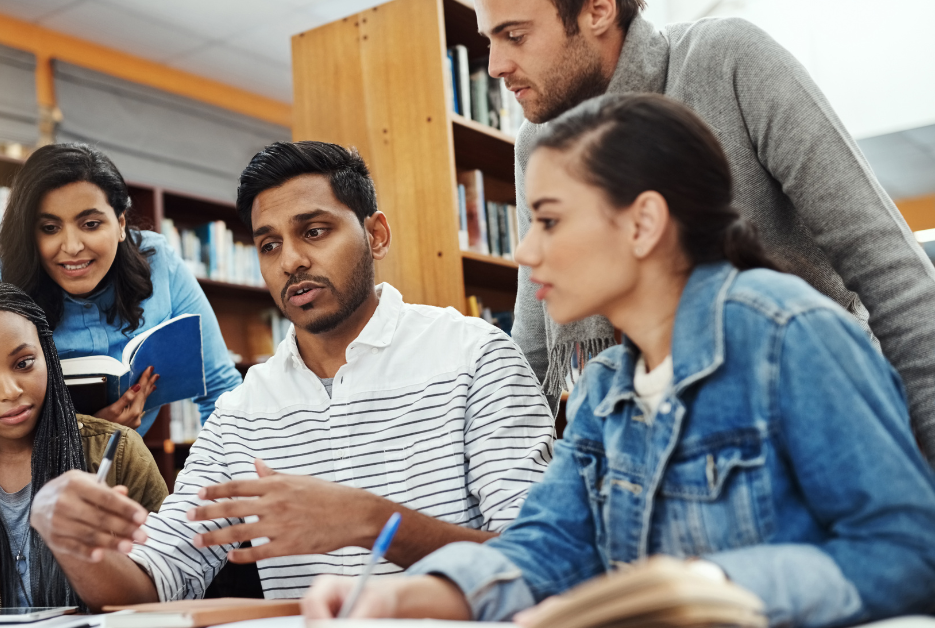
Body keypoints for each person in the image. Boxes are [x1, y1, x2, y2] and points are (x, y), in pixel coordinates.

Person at [303, 95, 935, 626]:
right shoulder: (605, 388)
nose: (524, 252)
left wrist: (713, 586)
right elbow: (548, 544)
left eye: (548, 221)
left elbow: (909, 552)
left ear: (643, 224)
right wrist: (402, 597)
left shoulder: (791, 335)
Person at [24, 140, 557, 609]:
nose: (291, 261)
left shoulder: (474, 357)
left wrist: (371, 521)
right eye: (269, 244)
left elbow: (547, 562)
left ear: (376, 235)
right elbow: (149, 583)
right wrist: (66, 536)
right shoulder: (243, 412)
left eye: (315, 231)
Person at [480, 0, 935, 463]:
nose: (497, 65)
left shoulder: (728, 59)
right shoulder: (537, 143)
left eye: (515, 36)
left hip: (814, 415)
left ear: (597, 10)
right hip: (646, 448)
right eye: (488, 40)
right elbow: (534, 345)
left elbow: (888, 271)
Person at [0, 277, 169, 608]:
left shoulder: (119, 451)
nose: (10, 392)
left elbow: (166, 586)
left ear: (46, 353)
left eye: (23, 363)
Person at [0, 143, 242, 435]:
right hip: (24, 477)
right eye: (49, 228)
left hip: (123, 471)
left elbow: (222, 389)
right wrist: (91, 434)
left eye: (91, 224)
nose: (72, 247)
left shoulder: (158, 262)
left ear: (120, 223)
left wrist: (217, 475)